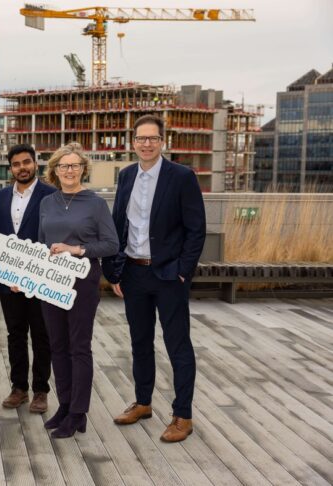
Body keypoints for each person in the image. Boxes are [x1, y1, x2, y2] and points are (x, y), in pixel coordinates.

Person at [103, 114, 206, 443]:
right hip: (133, 273)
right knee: (140, 343)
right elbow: (118, 225)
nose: (146, 144)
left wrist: (182, 271)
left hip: (168, 275)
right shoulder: (126, 176)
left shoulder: (182, 177)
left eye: (152, 138)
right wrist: (115, 270)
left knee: (178, 345)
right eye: (140, 138)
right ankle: (143, 403)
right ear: (132, 142)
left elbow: (196, 230)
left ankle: (182, 415)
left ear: (163, 141)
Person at [38, 142, 118, 438]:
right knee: (57, 345)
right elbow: (40, 244)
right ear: (55, 170)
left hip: (82, 282)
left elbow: (111, 245)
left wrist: (76, 249)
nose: (69, 170)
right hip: (51, 280)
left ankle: (78, 412)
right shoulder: (47, 203)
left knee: (79, 346)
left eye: (74, 165)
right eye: (63, 166)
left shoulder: (96, 204)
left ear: (83, 169)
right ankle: (64, 405)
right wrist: (26, 275)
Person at [0, 144, 56, 413]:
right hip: (8, 280)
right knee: (15, 334)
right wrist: (5, 274)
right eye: (16, 164)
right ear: (11, 168)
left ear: (35, 164)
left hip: (39, 280)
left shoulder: (51, 195)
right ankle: (18, 388)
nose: (22, 168)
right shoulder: (0, 197)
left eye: (26, 162)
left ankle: (41, 390)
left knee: (41, 334)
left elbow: (53, 238)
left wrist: (30, 275)